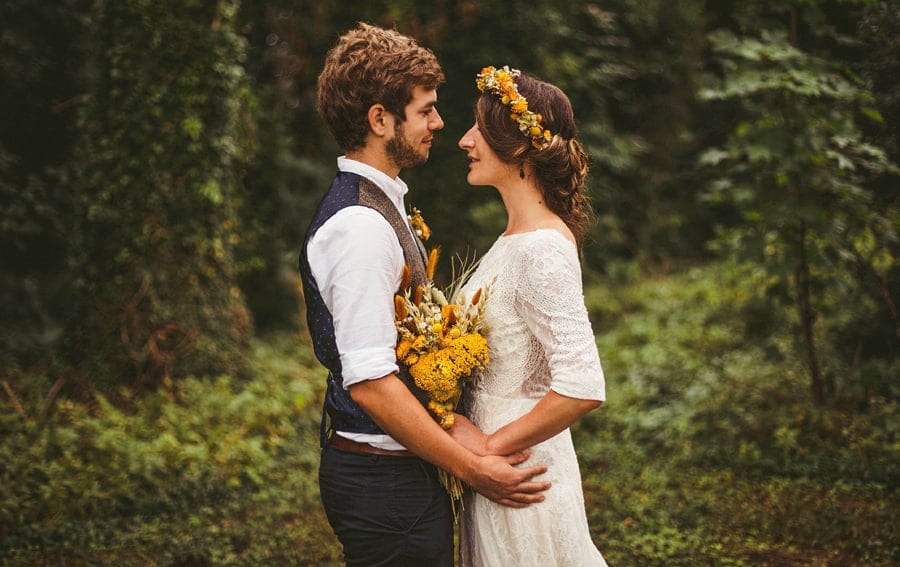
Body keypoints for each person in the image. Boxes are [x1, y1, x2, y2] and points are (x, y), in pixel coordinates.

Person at [298, 28, 551, 567]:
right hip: (384, 484)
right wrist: (470, 466)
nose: (439, 124)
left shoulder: (379, 207)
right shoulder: (359, 227)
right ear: (380, 119)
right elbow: (369, 383)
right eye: (427, 110)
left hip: (398, 474)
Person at [452, 65, 609, 566]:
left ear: (517, 146)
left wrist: (488, 450)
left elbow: (582, 383)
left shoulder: (541, 248)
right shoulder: (513, 241)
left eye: (478, 127)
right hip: (499, 468)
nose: (464, 140)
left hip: (521, 472)